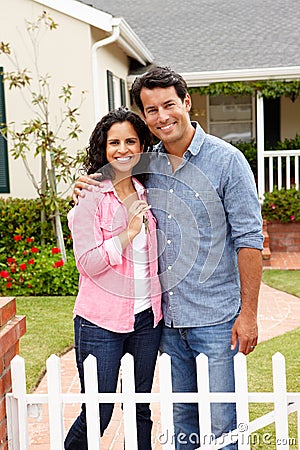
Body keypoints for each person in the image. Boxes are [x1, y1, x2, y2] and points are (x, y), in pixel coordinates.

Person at [73, 67, 264, 450]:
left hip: (216, 320)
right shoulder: (147, 164)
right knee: (182, 423)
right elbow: (106, 175)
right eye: (152, 110)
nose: (162, 116)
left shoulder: (227, 162)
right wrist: (79, 184)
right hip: (169, 324)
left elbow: (250, 239)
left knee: (222, 422)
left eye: (169, 105)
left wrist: (249, 314)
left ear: (187, 103)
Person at [64, 107, 163, 450]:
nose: (123, 149)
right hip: (100, 321)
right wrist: (127, 233)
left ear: (141, 146)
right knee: (100, 411)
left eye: (131, 141)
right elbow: (88, 264)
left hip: (145, 320)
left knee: (139, 410)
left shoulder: (145, 190)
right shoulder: (90, 195)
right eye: (114, 142)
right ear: (103, 149)